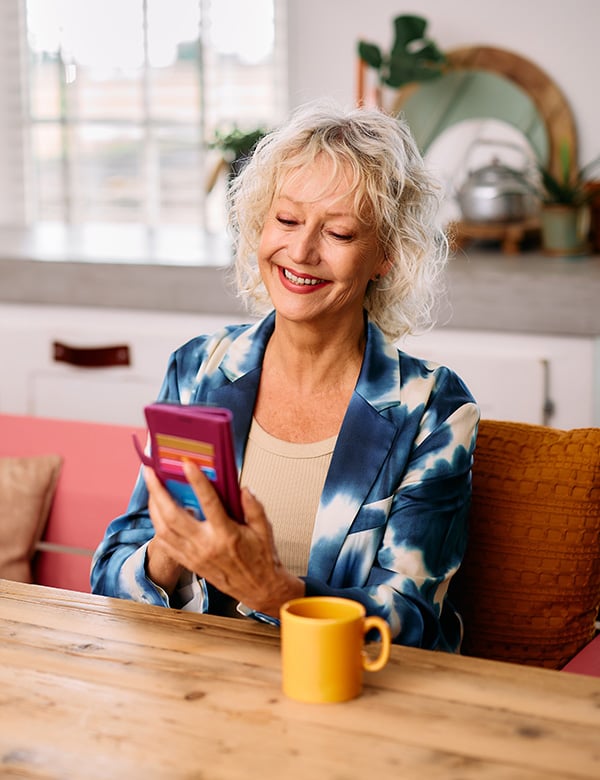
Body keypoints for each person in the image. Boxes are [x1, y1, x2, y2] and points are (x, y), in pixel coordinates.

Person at [91, 100, 479, 651]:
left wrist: (272, 591)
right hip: (196, 690)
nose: (300, 251)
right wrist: (172, 552)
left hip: (343, 700)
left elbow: (410, 621)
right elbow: (109, 575)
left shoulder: (432, 409)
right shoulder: (200, 368)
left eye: (339, 234)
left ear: (385, 256)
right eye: (288, 220)